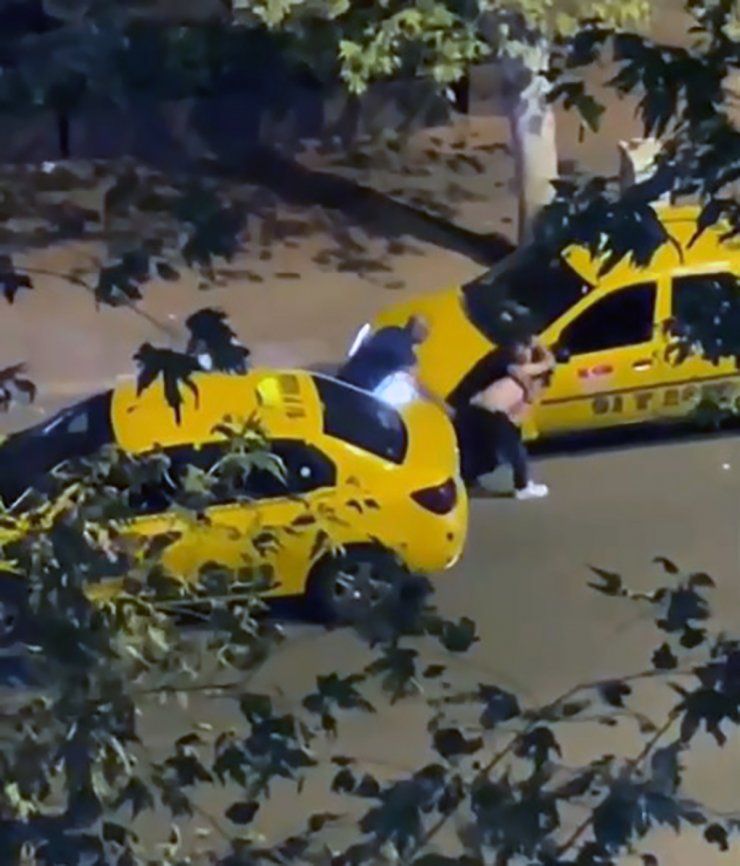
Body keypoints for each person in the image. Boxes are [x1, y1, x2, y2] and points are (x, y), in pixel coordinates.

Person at [455, 336, 554, 500]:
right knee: (516, 451)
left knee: (486, 455)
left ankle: (467, 481)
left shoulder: (514, 374)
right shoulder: (524, 372)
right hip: (490, 412)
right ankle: (523, 487)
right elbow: (549, 363)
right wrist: (539, 346)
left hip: (475, 409)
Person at [337, 316, 428, 392]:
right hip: (360, 389)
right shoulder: (407, 354)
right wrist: (439, 402)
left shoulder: (389, 330)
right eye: (424, 331)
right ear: (416, 329)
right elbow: (417, 386)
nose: (426, 335)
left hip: (344, 375)